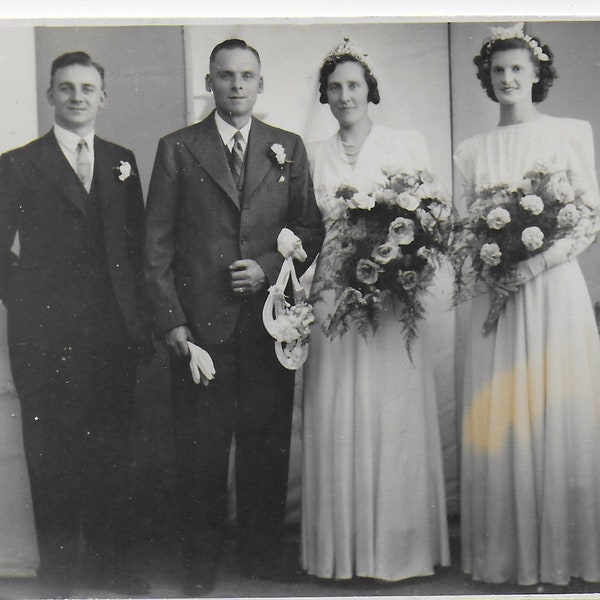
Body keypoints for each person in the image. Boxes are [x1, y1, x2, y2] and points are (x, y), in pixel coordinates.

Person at [144, 38, 323, 596]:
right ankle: (198, 564)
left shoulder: (286, 147)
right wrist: (174, 325)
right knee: (200, 451)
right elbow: (156, 250)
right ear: (210, 82)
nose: (237, 85)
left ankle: (262, 556)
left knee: (266, 448)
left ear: (262, 83)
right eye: (225, 76)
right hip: (203, 331)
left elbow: (310, 229)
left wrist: (269, 268)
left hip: (269, 326)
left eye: (247, 76)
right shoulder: (177, 148)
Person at [0, 51, 152, 595]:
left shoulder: (122, 160)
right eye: (66, 88)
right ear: (50, 96)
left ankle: (111, 565)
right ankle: (60, 572)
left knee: (114, 452)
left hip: (113, 335)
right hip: (46, 336)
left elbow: (136, 248)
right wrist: (32, 298)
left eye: (88, 88)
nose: (77, 97)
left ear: (103, 97)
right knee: (53, 455)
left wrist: (138, 320)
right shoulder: (19, 162)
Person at [454, 23, 600, 585]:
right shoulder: (472, 150)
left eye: (518, 68)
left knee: (556, 410)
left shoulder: (570, 132)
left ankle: (563, 556)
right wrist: (489, 267)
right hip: (499, 299)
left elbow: (588, 215)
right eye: (498, 71)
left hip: (552, 290)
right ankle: (507, 556)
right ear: (488, 81)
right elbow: (467, 229)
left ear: (537, 74)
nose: (508, 78)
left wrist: (534, 264)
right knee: (505, 410)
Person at [301, 40, 450, 582]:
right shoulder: (310, 152)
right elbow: (304, 229)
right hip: (332, 298)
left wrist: (396, 271)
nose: (345, 95)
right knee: (337, 409)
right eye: (335, 87)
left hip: (391, 299)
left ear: (370, 91)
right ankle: (341, 553)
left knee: (393, 414)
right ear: (325, 94)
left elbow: (430, 220)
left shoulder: (405, 143)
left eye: (354, 85)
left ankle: (397, 549)